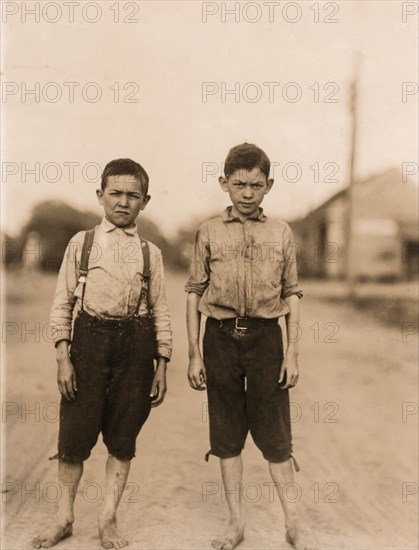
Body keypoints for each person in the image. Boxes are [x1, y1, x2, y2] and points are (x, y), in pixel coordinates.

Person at [32, 158, 172, 549]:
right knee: (73, 437)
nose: (123, 202)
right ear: (100, 196)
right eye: (116, 193)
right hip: (88, 344)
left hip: (137, 347)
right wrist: (63, 358)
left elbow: (160, 310)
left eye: (133, 195)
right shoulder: (83, 243)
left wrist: (162, 364)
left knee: (123, 438)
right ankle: (64, 517)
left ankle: (108, 519)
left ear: (145, 201)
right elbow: (62, 303)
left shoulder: (151, 254)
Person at [186, 143, 315, 550]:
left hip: (266, 341)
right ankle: (235, 523)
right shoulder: (207, 231)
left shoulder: (281, 232)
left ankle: (293, 523)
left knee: (276, 435)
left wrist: (292, 352)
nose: (246, 193)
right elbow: (193, 293)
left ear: (269, 185)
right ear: (224, 183)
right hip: (219, 340)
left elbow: (292, 294)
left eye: (256, 185)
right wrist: (193, 353)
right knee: (225, 434)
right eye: (238, 184)